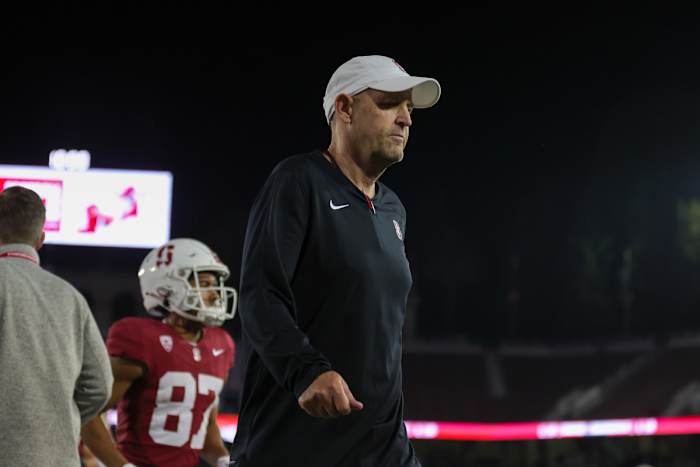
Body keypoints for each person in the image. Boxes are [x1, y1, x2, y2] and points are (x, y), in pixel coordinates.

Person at [229, 55, 441, 466]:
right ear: (344, 108)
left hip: (382, 449)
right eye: (389, 104)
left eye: (409, 109)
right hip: (294, 446)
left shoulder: (394, 209)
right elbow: (260, 294)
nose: (405, 120)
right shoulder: (297, 181)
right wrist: (306, 371)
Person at [81, 238, 238, 467]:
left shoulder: (221, 345)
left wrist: (224, 460)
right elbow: (89, 413)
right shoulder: (141, 338)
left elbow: (206, 430)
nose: (214, 294)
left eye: (215, 285)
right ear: (166, 288)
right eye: (204, 284)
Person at [0, 185, 113, 465]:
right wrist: (56, 417)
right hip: (57, 457)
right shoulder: (72, 298)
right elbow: (100, 385)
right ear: (40, 239)